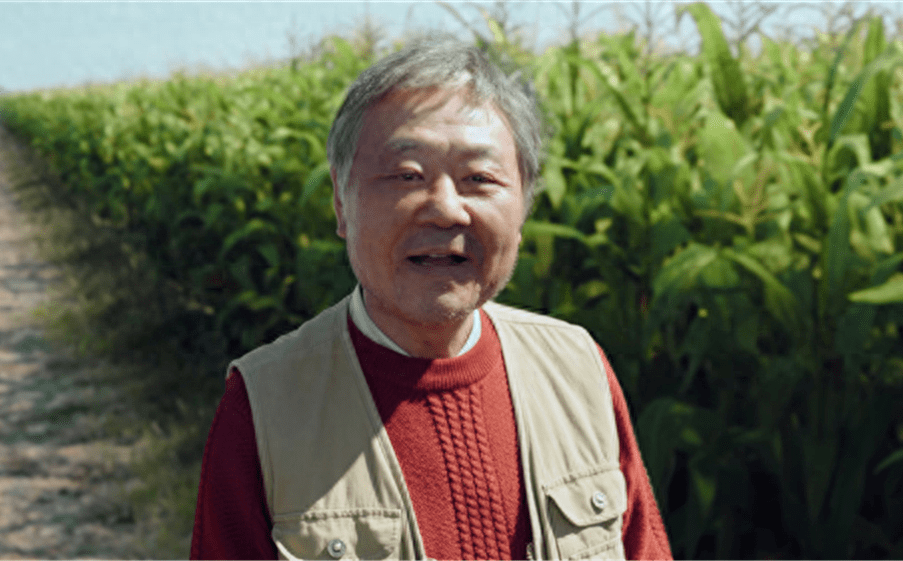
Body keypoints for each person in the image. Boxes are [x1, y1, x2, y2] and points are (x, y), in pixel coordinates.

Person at [191, 39, 672, 560]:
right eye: (406, 176)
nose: (445, 209)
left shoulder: (578, 368)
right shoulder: (264, 406)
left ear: (525, 205)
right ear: (341, 202)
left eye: (479, 179)